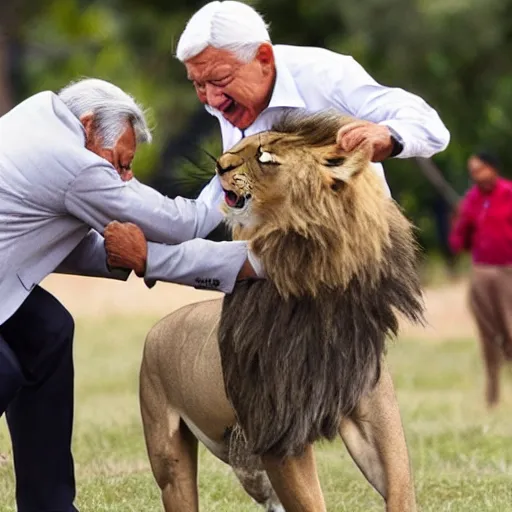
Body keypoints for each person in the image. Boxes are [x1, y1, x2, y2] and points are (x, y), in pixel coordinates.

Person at [0, 77, 257, 512]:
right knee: (4, 368)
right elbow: (183, 223)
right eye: (118, 163)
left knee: (49, 332)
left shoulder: (39, 114)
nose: (123, 178)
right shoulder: (73, 164)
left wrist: (138, 258)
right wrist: (236, 170)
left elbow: (66, 243)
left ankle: (49, 505)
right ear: (86, 125)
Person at [105, 0, 451, 291]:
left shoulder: (324, 74)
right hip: (272, 244)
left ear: (265, 59)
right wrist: (165, 234)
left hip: (346, 246)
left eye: (220, 80)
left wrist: (388, 136)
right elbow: (232, 190)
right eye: (198, 85)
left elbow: (430, 125)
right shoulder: (227, 99)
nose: (211, 98)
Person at [449, 151, 512, 407]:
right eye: (472, 170)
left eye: (479, 169)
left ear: (492, 169)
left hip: (508, 271)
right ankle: (492, 396)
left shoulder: (508, 194)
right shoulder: (471, 201)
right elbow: (458, 242)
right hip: (481, 272)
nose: (475, 175)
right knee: (488, 334)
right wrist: (461, 221)